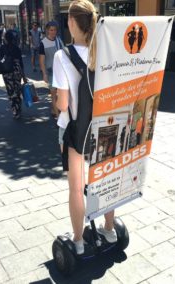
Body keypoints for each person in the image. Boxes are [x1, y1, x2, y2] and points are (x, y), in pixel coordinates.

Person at [53, 0, 117, 255]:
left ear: (71, 22)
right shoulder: (105, 52)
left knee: (76, 188)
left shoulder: (62, 55)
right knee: (106, 179)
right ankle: (109, 229)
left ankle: (78, 241)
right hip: (105, 127)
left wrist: (56, 99)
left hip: (76, 131)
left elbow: (64, 103)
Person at [0, 30, 28, 119]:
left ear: (5, 39)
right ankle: (18, 107)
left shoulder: (3, 48)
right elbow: (21, 62)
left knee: (10, 91)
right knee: (17, 90)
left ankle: (15, 109)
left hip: (7, 72)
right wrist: (24, 76)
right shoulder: (16, 48)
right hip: (17, 71)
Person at [39, 21, 64, 121]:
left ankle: (54, 110)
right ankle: (58, 117)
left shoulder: (59, 41)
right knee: (54, 94)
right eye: (51, 30)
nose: (53, 32)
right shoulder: (43, 43)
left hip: (61, 71)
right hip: (51, 72)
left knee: (60, 94)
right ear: (47, 30)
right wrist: (44, 74)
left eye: (55, 30)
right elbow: (41, 60)